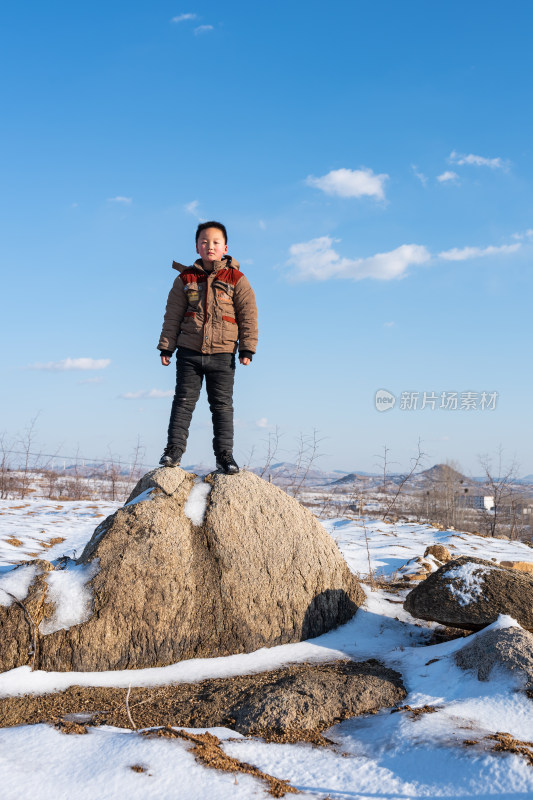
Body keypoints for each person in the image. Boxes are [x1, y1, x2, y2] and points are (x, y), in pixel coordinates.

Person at [157, 221, 258, 474]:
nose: (209, 246)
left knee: (222, 406)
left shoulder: (237, 279)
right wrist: (166, 347)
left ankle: (225, 455)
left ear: (225, 247)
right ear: (196, 247)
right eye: (204, 242)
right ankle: (173, 451)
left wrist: (247, 348)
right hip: (189, 353)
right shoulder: (185, 279)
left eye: (215, 242)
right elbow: (172, 315)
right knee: (182, 402)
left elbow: (248, 314)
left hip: (223, 354)